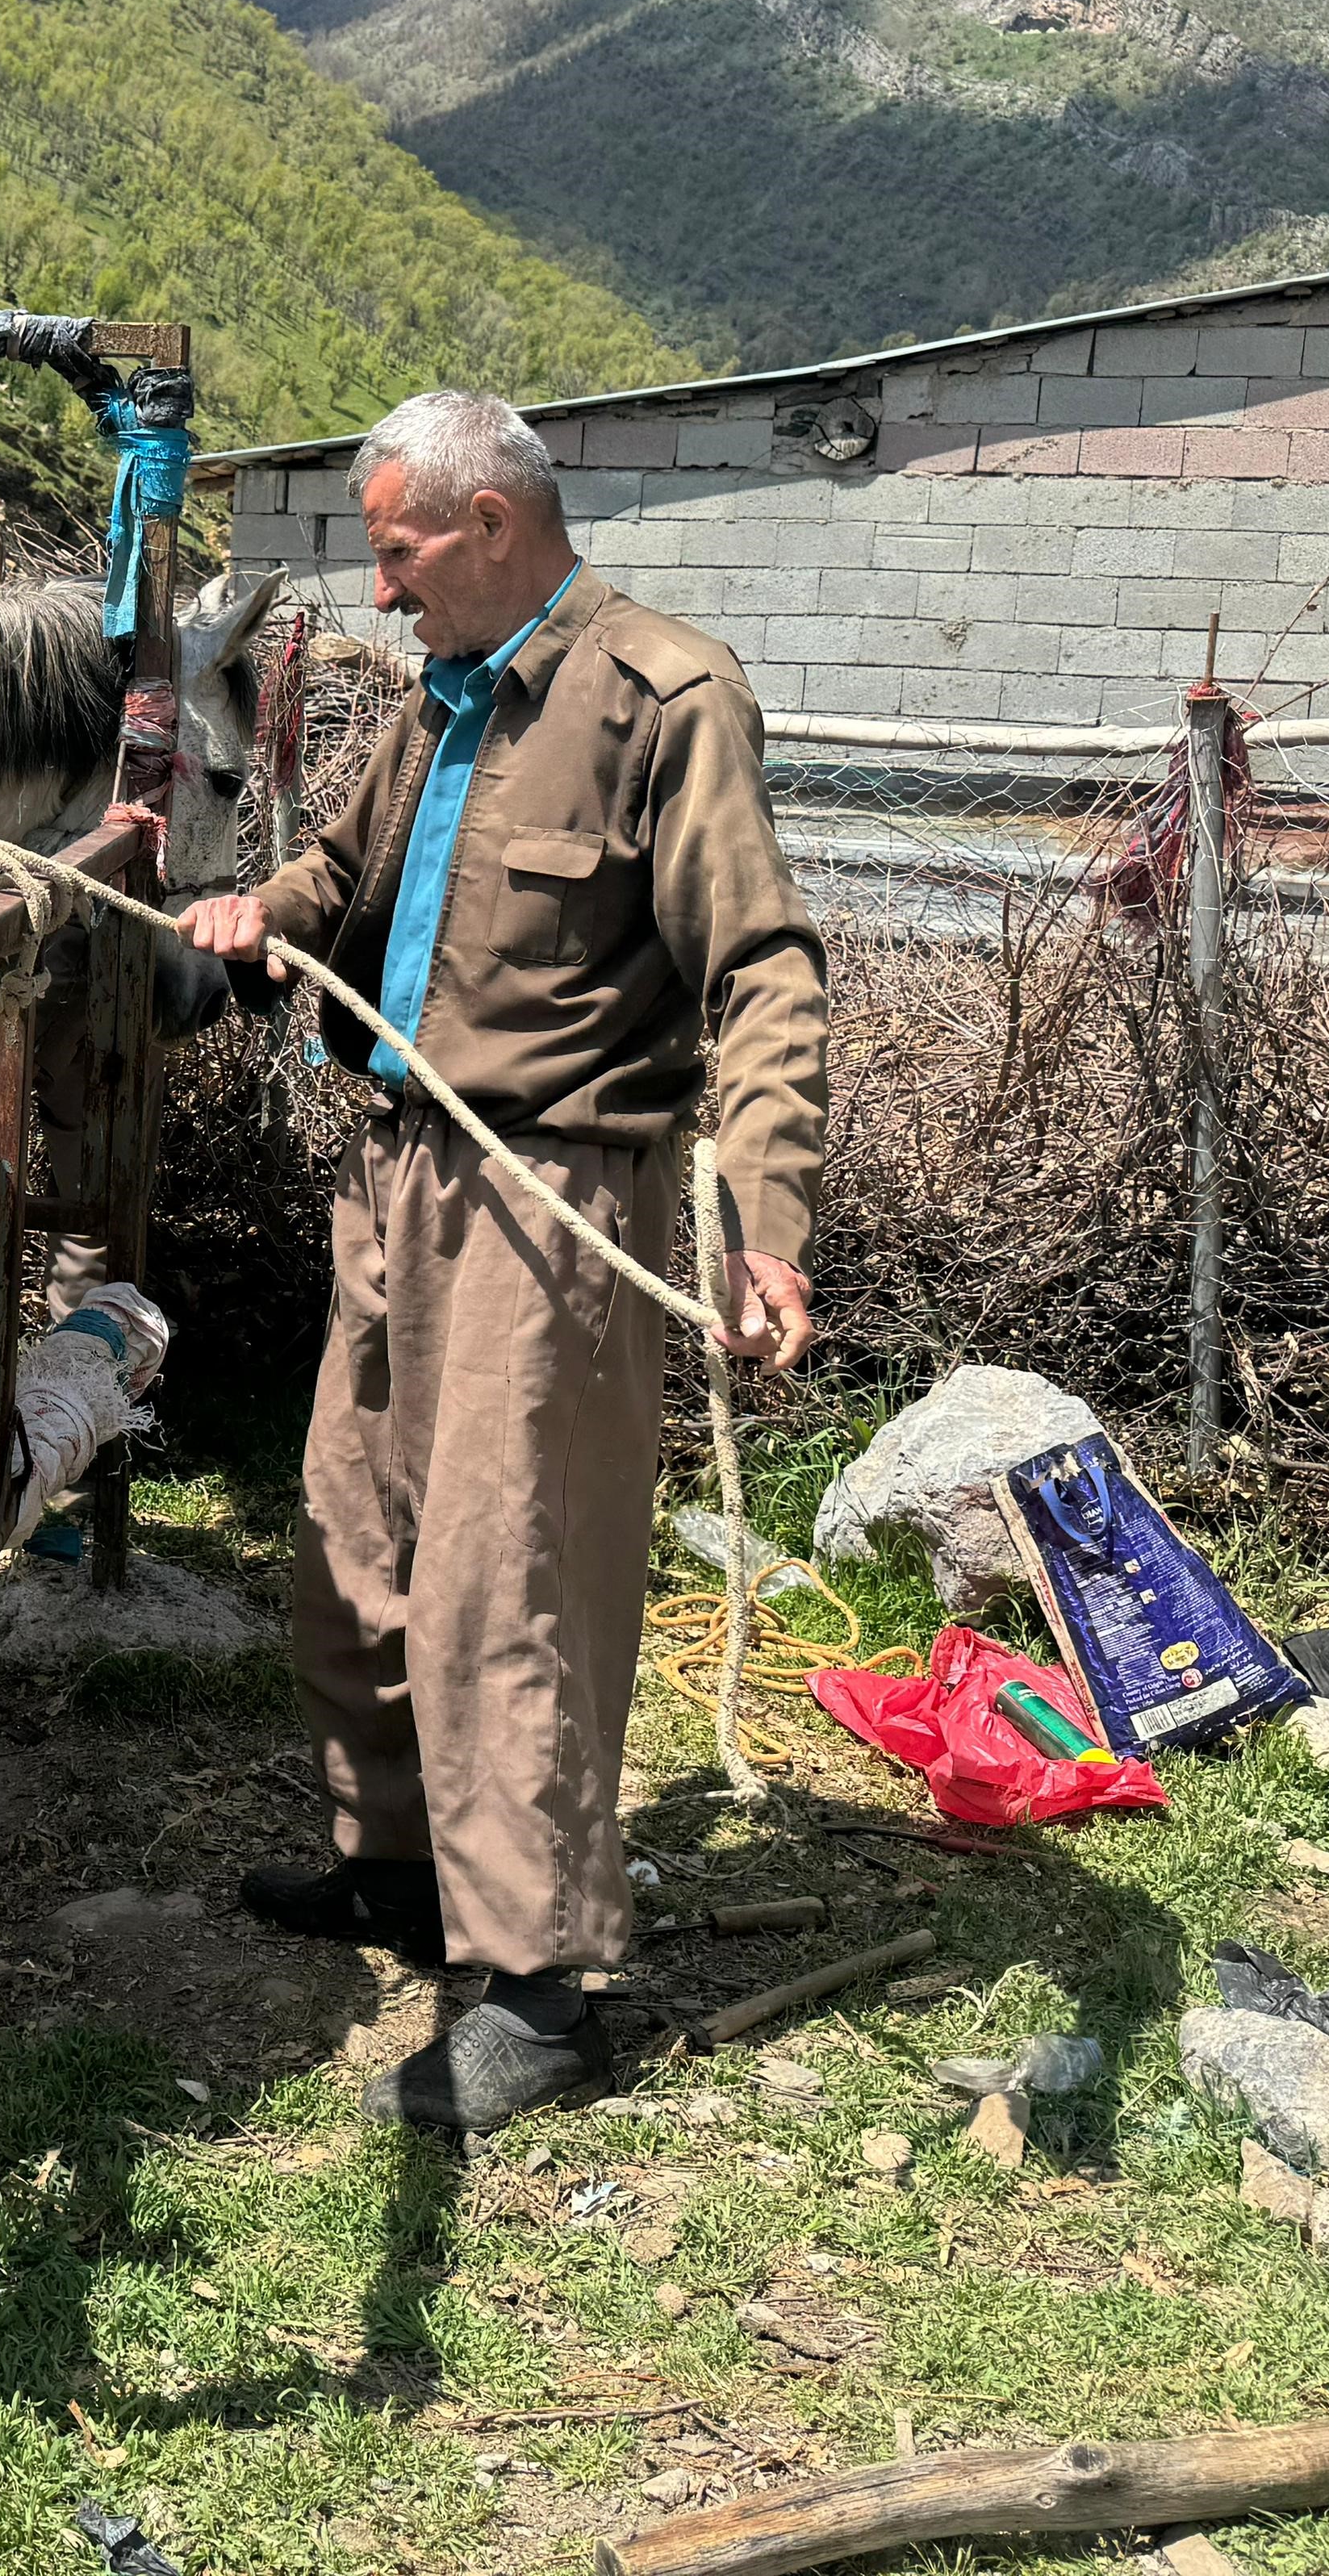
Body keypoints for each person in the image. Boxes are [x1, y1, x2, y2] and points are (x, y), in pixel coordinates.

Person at [178, 389, 828, 2132]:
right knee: (359, 1539)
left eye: (395, 553)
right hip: (394, 1183)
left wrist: (769, 1220)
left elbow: (761, 972)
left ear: (486, 522)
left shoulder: (663, 700)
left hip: (547, 1209)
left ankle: (536, 1990)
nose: (380, 595)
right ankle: (396, 1867)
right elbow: (341, 874)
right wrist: (258, 931)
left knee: (506, 1583)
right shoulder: (441, 707)